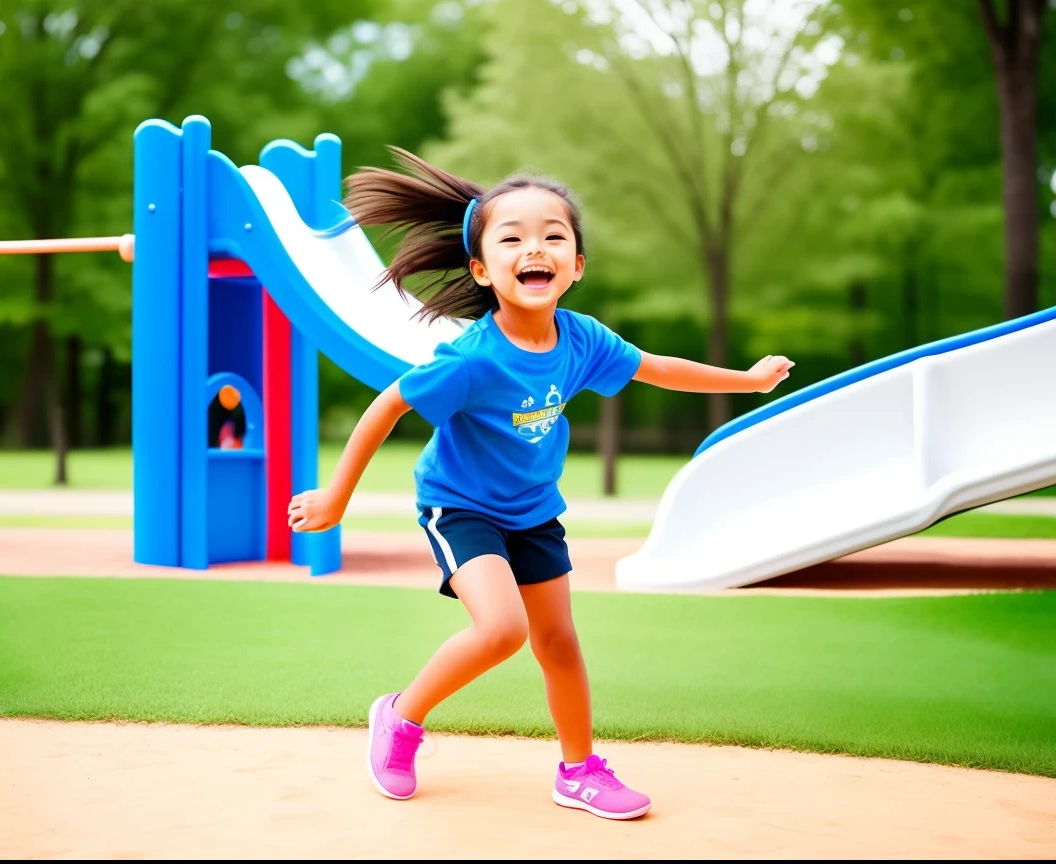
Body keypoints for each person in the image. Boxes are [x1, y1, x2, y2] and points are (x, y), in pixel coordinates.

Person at [287, 148, 793, 820]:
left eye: (555, 236)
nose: (537, 247)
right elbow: (389, 406)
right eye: (513, 237)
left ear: (576, 266)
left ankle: (579, 770)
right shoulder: (472, 359)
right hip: (460, 506)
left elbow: (659, 368)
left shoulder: (581, 340)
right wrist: (335, 499)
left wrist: (747, 381)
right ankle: (400, 718)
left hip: (531, 510)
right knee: (502, 630)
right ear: (482, 269)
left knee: (560, 641)